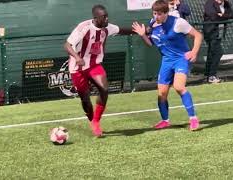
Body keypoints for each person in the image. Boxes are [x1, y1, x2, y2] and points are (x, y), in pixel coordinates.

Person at [132, 0, 203, 130]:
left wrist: (194, 51)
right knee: (162, 93)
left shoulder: (178, 23)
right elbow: (151, 44)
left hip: (181, 59)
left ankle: (193, 119)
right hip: (166, 61)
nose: (156, 17)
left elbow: (198, 35)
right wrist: (143, 35)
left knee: (178, 87)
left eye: (159, 14)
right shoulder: (153, 24)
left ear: (166, 13)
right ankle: (165, 120)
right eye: (154, 13)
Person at [64, 4, 132, 137]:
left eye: (107, 16)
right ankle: (90, 118)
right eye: (103, 17)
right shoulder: (84, 27)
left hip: (94, 64)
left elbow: (122, 30)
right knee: (85, 99)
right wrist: (77, 57)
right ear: (95, 18)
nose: (106, 19)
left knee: (104, 89)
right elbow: (67, 45)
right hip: (77, 67)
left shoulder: (107, 27)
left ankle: (96, 121)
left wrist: (142, 31)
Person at [203, 0, 233, 83]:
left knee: (211, 53)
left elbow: (232, 15)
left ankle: (207, 75)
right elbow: (213, 17)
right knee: (218, 52)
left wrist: (223, 15)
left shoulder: (226, 4)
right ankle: (212, 75)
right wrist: (224, 16)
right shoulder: (209, 3)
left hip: (220, 32)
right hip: (210, 32)